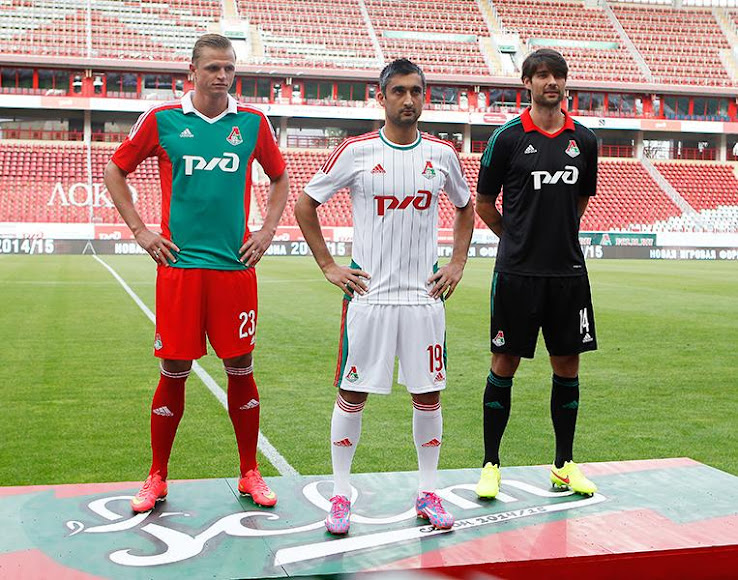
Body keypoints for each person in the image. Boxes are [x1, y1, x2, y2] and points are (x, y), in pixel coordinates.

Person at [104, 34, 289, 512]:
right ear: (192, 72)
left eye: (229, 68)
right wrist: (141, 231)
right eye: (212, 67)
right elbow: (115, 170)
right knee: (174, 371)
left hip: (234, 269)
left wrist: (267, 230)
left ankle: (249, 471)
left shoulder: (253, 123)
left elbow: (280, 176)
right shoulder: (163, 119)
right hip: (180, 269)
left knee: (241, 369)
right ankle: (156, 476)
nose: (222, 76)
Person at [295, 59, 475, 535]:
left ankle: (429, 492)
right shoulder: (356, 152)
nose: (408, 99)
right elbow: (305, 204)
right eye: (398, 91)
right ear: (382, 97)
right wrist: (329, 266)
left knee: (428, 395)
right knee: (352, 393)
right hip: (370, 299)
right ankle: (340, 494)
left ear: (424, 97)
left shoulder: (442, 154)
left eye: (416, 91)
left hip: (423, 299)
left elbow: (465, 207)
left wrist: (457, 262)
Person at [474, 49, 599, 499]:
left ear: (566, 82)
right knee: (504, 364)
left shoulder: (585, 140)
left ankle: (563, 464)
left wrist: (555, 237)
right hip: (517, 274)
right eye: (542, 75)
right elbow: (484, 203)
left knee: (567, 366)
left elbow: (581, 199)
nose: (551, 82)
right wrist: (516, 238)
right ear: (526, 82)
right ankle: (491, 465)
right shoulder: (506, 138)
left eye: (558, 75)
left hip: (567, 273)